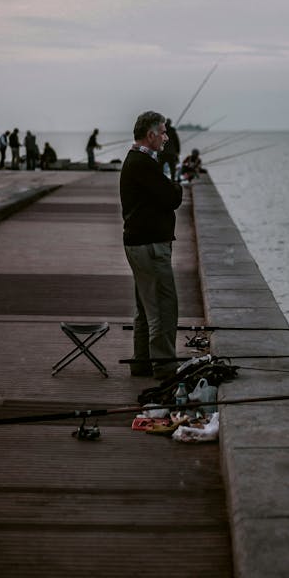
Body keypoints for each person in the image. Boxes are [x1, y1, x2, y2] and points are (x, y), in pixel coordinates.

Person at [120, 111, 183, 379]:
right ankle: (165, 365)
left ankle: (142, 361)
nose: (167, 138)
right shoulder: (143, 164)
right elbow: (172, 197)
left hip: (140, 244)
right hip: (149, 246)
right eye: (164, 132)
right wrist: (173, 176)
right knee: (163, 306)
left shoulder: (138, 162)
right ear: (151, 134)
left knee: (145, 308)